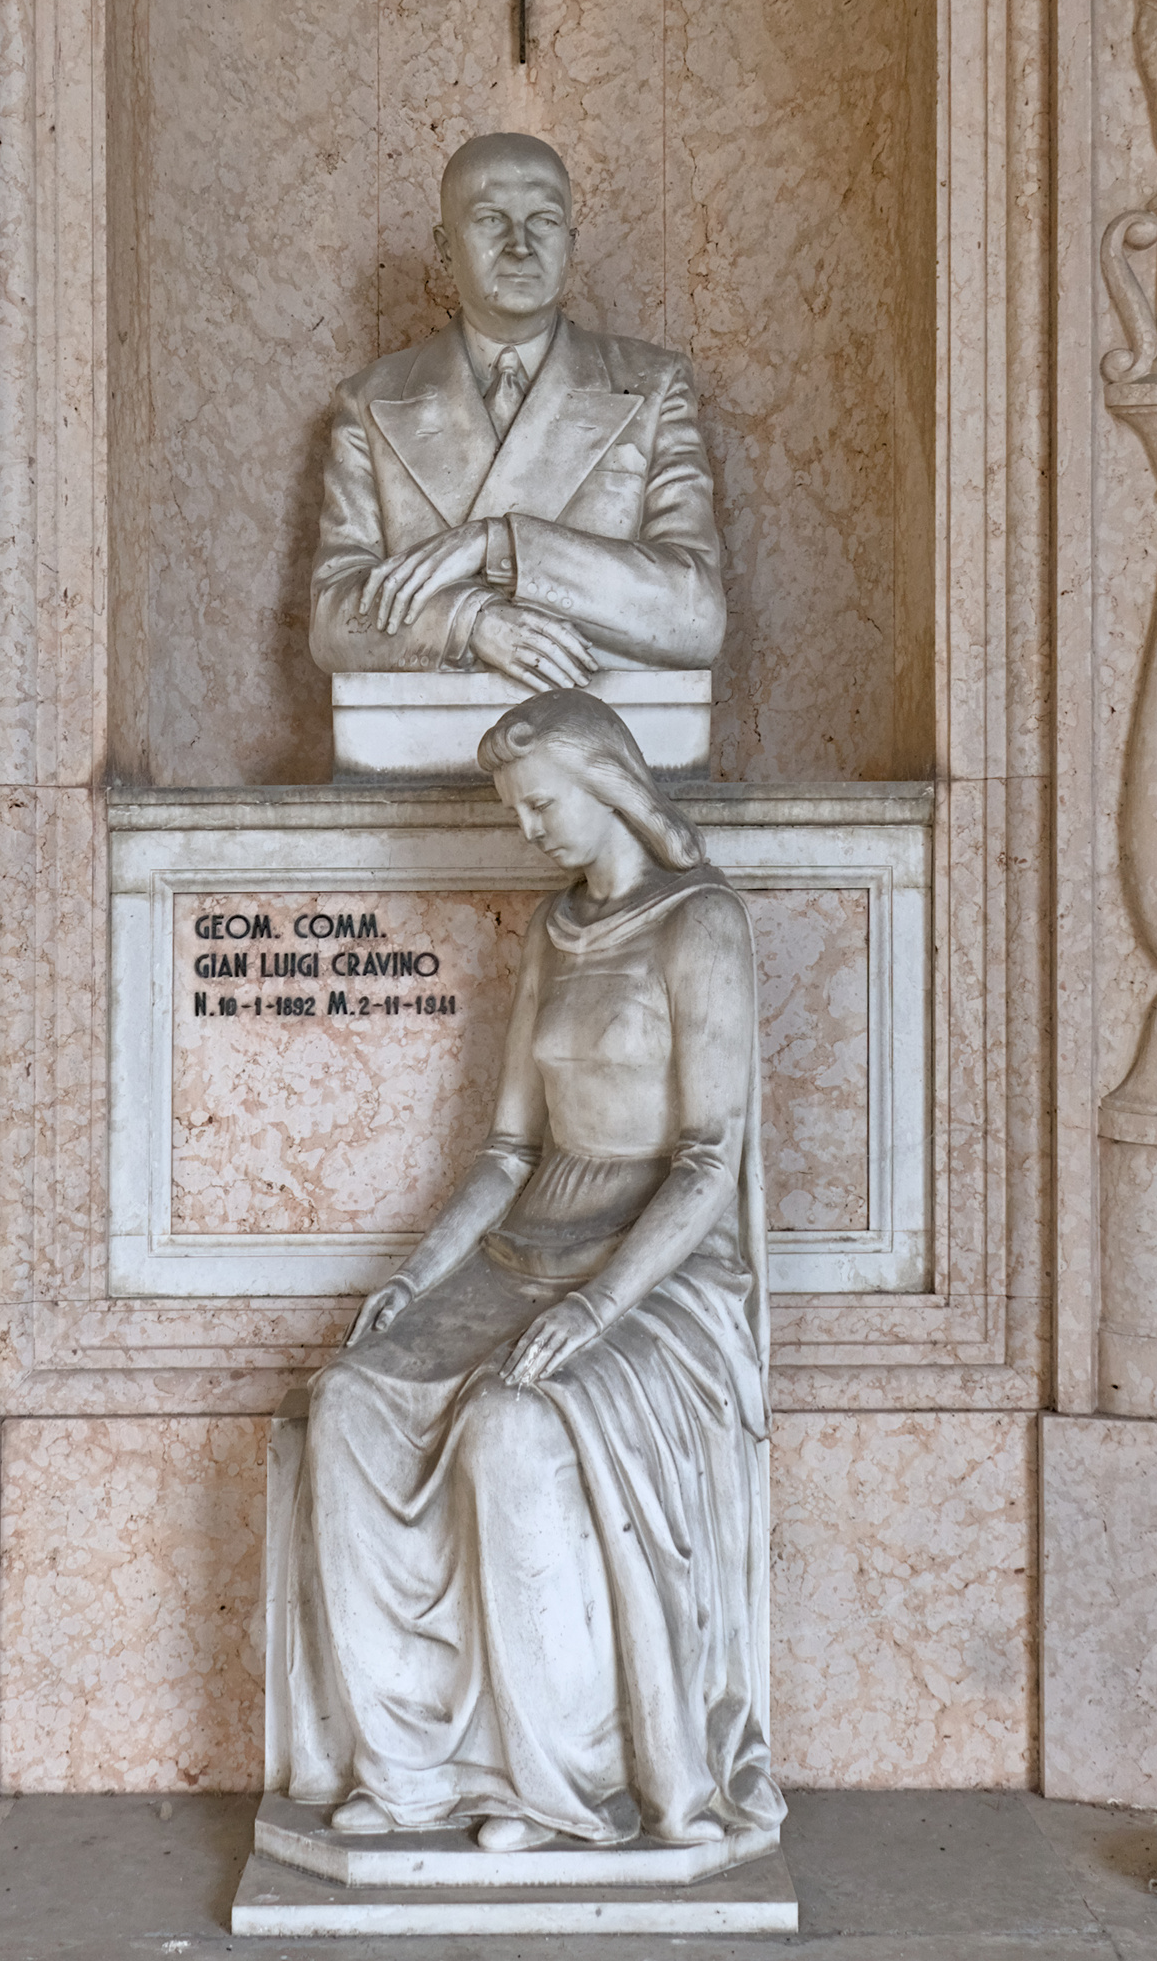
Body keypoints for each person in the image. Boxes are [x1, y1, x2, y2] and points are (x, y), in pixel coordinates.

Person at [281, 690, 783, 1853]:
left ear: (606, 781)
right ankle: (408, 1768)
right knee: (352, 1397)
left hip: (659, 1270)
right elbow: (507, 1151)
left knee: (513, 1424)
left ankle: (552, 1784)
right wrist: (412, 1278)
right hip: (526, 1246)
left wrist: (600, 1305)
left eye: (543, 802)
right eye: (516, 811)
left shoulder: (697, 923)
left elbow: (711, 1160)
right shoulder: (556, 929)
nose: (533, 829)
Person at [309, 134, 726, 690]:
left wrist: (499, 544)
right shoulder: (370, 400)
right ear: (444, 245)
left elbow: (694, 613)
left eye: (545, 221)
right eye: (490, 219)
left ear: (571, 242)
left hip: (610, 743)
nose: (521, 246)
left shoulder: (653, 387)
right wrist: (469, 622)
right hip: (415, 739)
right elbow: (334, 619)